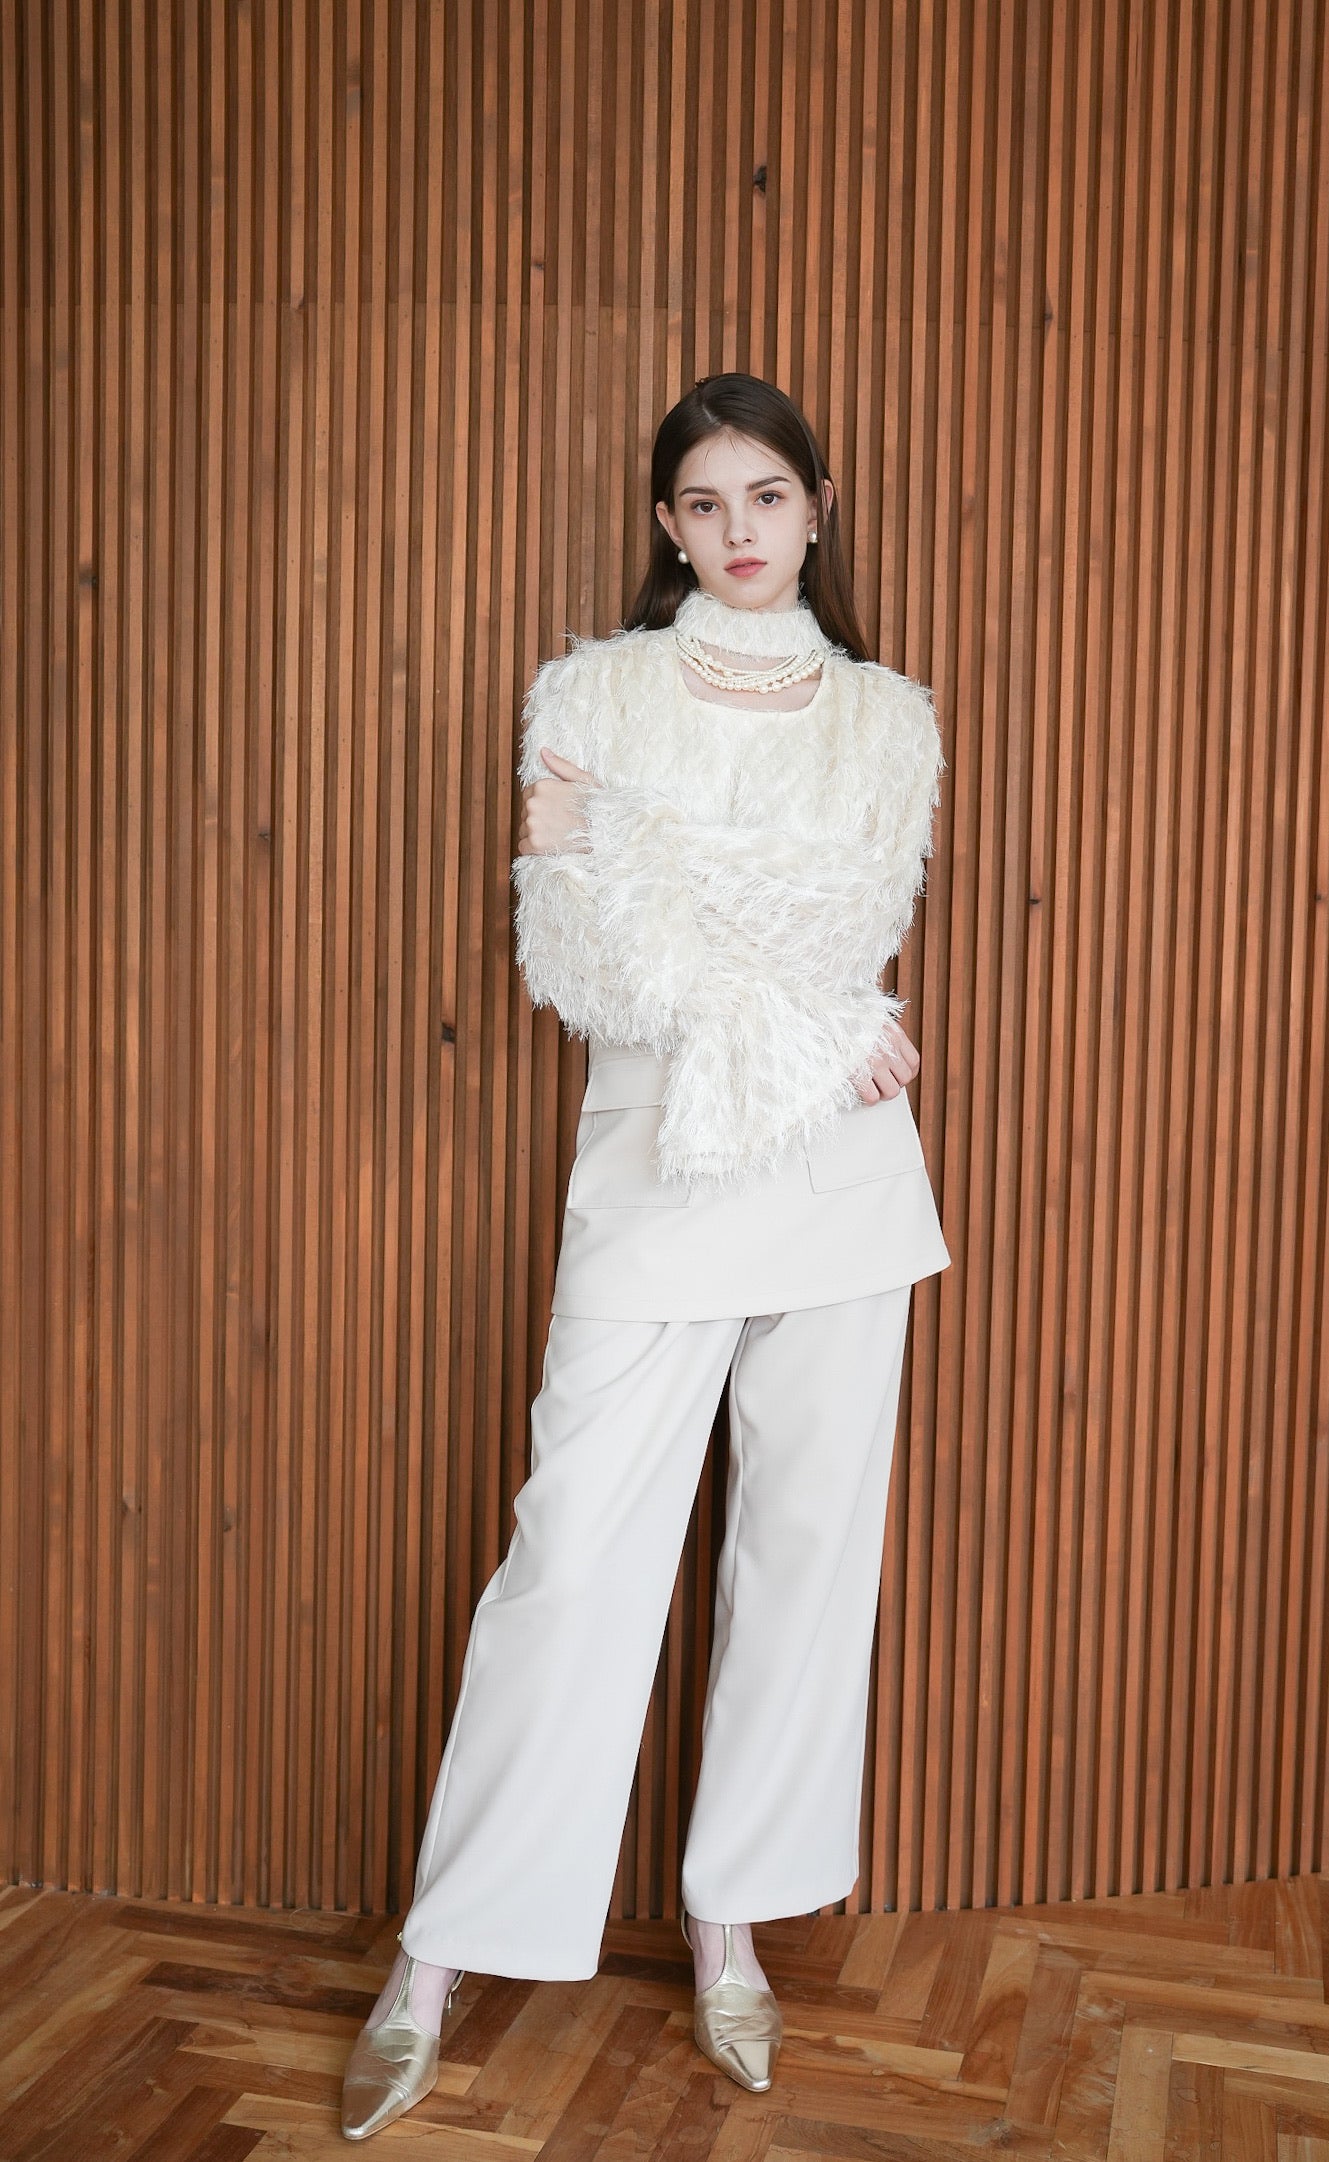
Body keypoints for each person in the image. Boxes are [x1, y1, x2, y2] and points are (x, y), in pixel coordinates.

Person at [339, 372, 951, 2140]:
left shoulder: (885, 719)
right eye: (703, 501)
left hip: (839, 1172)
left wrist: (652, 859)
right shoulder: (591, 693)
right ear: (666, 526)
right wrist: (802, 1000)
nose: (738, 529)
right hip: (659, 1158)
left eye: (767, 495)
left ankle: (728, 1919)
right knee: (572, 1556)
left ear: (816, 508)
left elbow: (847, 914)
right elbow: (582, 957)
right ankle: (439, 1951)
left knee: (803, 1560)